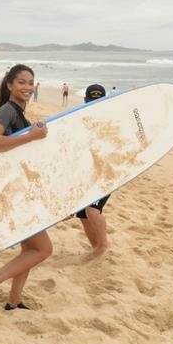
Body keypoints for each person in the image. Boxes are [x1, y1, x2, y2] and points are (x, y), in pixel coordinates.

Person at [0, 64, 50, 318]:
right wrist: (30, 137)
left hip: (17, 191)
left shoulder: (18, 113)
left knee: (29, 250)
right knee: (43, 249)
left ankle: (14, 301)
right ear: (9, 85)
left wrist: (31, 130)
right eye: (22, 82)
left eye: (31, 82)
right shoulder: (7, 110)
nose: (27, 87)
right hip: (13, 195)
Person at [76, 84, 111, 260]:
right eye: (91, 101)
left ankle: (103, 245)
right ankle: (96, 247)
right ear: (85, 101)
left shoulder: (111, 121)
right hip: (89, 174)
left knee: (92, 210)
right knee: (82, 213)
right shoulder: (81, 121)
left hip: (107, 173)